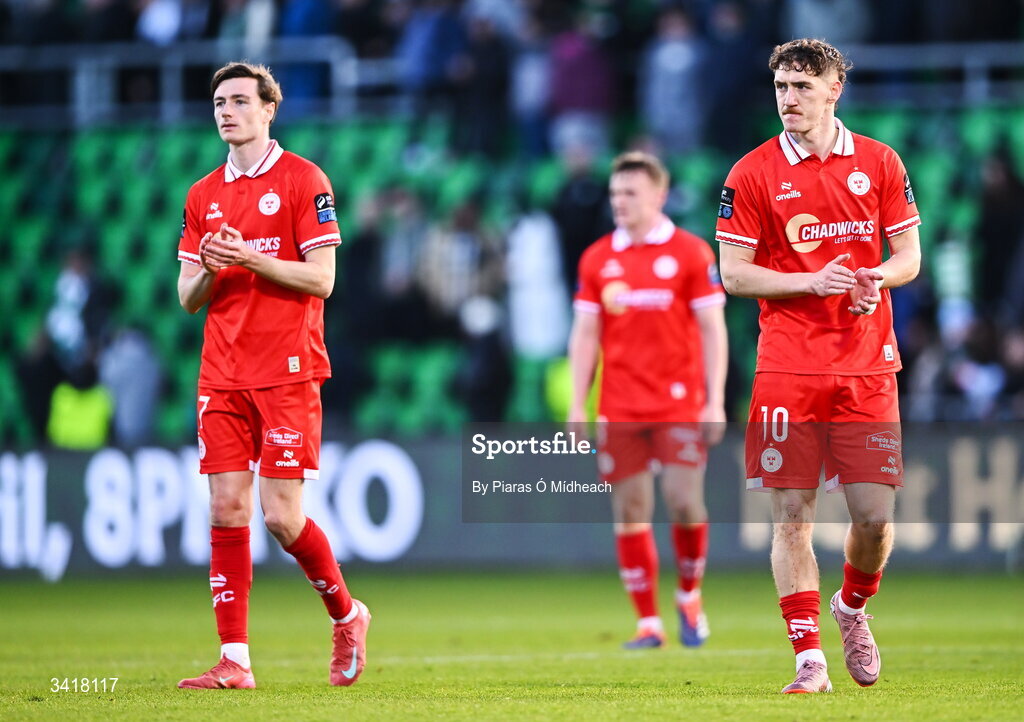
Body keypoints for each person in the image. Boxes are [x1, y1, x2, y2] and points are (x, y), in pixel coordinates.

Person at [715, 39, 921, 693]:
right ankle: (809, 661)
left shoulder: (881, 163)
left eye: (803, 86)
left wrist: (873, 279)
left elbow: (909, 257)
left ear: (835, 89)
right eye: (780, 87)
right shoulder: (750, 173)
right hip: (787, 367)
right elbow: (733, 274)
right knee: (792, 517)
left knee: (874, 518)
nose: (789, 99)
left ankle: (851, 609)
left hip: (866, 365)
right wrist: (812, 284)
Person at [175, 61, 370, 690]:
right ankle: (235, 660)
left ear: (268, 109)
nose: (225, 111)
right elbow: (187, 296)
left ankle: (347, 614)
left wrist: (250, 257)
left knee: (282, 517)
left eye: (238, 101)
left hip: (286, 370)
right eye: (218, 103)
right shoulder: (203, 194)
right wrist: (210, 267)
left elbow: (324, 279)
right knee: (227, 507)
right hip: (221, 373)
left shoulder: (302, 179)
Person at [568, 151, 728, 649]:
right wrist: (579, 402)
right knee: (631, 508)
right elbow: (585, 334)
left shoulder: (690, 253)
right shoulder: (598, 258)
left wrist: (714, 399)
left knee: (684, 502)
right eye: (615, 194)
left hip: (679, 401)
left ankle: (689, 594)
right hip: (619, 403)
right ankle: (648, 624)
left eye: (630, 193)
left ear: (659, 195)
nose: (620, 202)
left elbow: (712, 330)